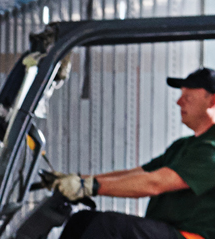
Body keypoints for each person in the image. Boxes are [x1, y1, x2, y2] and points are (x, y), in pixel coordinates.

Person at [49, 67, 215, 239]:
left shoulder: (211, 148)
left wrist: (89, 187)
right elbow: (139, 173)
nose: (179, 102)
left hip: (189, 236)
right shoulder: (184, 145)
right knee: (82, 221)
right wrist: (81, 181)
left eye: (188, 97)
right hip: (168, 231)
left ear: (212, 100)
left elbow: (154, 183)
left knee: (108, 226)